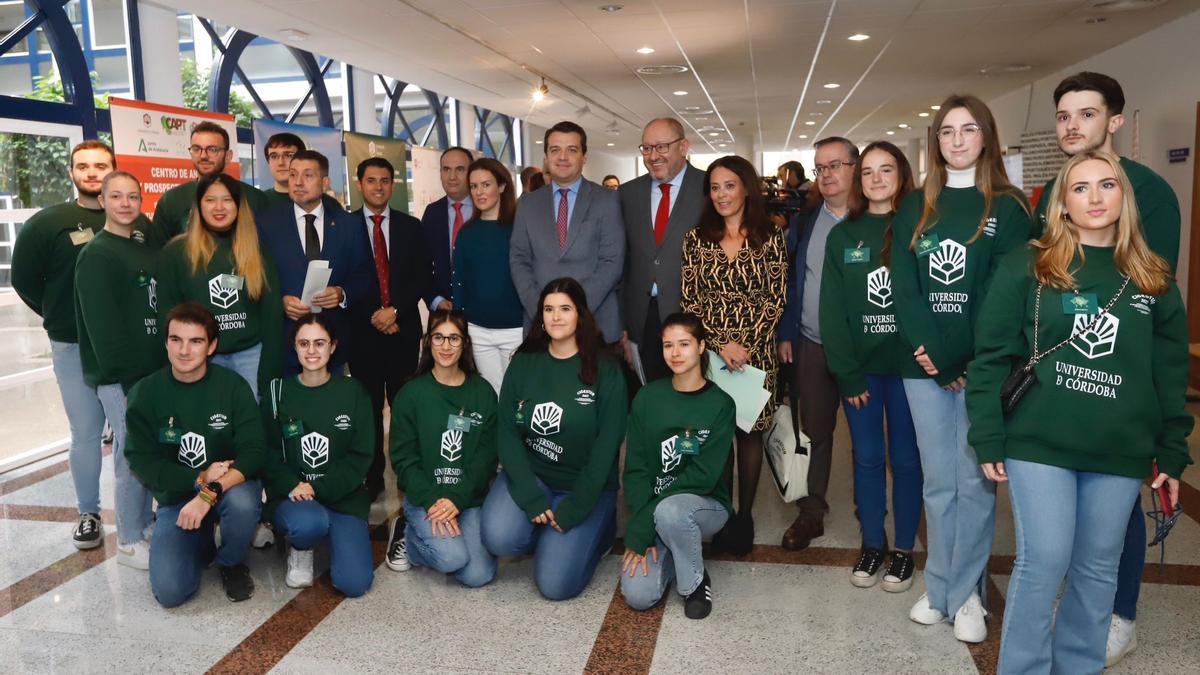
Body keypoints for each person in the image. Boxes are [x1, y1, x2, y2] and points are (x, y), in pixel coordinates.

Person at [966, 150, 1192, 674]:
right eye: (1081, 187)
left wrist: (1172, 453)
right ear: (1062, 204)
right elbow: (991, 358)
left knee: (1096, 569)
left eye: (1107, 185)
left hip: (1119, 449)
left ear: (1123, 197)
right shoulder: (1029, 264)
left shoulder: (1152, 277)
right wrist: (988, 435)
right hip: (1039, 443)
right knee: (1043, 561)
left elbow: (1168, 376)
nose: (1095, 197)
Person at [1033, 73, 1182, 664]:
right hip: (1064, 374)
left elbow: (1157, 297)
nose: (1073, 126)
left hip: (1122, 372)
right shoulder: (1051, 188)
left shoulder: (1149, 191)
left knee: (1115, 510)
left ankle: (1120, 613)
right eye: (1065, 116)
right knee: (1069, 507)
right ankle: (1082, 601)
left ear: (1114, 122)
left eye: (1087, 115)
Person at [890, 94, 1031, 643]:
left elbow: (1007, 291)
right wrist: (931, 350)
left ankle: (968, 591)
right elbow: (904, 284)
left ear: (986, 137)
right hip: (922, 363)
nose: (956, 140)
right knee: (937, 481)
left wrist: (970, 357)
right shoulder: (914, 205)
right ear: (936, 141)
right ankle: (940, 583)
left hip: (984, 363)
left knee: (974, 481)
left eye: (967, 129)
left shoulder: (1009, 207)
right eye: (946, 131)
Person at [10, 141, 157, 549]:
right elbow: (23, 280)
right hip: (74, 346)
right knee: (87, 434)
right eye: (83, 166)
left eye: (101, 166)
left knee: (132, 434)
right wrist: (60, 316)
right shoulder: (48, 222)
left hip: (127, 350)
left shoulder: (141, 225)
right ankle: (89, 512)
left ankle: (139, 515)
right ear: (72, 171)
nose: (91, 172)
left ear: (114, 170)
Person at [817, 141, 922, 590]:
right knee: (868, 458)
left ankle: (903, 550)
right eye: (868, 172)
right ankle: (873, 544)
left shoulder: (920, 229)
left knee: (906, 458)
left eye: (887, 170)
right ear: (859, 180)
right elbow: (832, 312)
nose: (877, 179)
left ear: (902, 175)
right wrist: (847, 372)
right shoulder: (844, 235)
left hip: (911, 370)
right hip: (861, 373)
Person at [481, 278, 627, 600]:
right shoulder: (524, 362)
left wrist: (577, 507)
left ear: (580, 315)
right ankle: (547, 528)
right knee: (497, 537)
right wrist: (530, 495)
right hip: (535, 476)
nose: (556, 317)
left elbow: (606, 449)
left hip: (583, 487)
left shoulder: (606, 368)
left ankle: (599, 533)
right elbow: (506, 431)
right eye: (548, 309)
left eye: (565, 308)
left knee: (554, 586)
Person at [680, 155, 787, 556]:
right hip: (711, 354)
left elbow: (775, 299)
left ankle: (745, 515)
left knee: (750, 433)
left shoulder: (770, 236)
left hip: (756, 355)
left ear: (745, 188)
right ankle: (721, 511)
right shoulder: (696, 238)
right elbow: (691, 300)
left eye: (729, 185)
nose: (721, 194)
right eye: (714, 187)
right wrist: (720, 344)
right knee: (719, 435)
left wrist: (745, 345)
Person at [125, 303, 266, 606]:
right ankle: (201, 541)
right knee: (170, 592)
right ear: (166, 344)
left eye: (196, 341)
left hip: (229, 487)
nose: (184, 350)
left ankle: (231, 563)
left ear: (212, 346)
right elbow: (142, 460)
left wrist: (209, 491)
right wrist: (198, 478)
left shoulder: (232, 387)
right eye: (176, 340)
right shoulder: (146, 393)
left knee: (243, 503)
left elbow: (254, 451)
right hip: (178, 497)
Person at [73, 171, 163, 568]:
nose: (125, 203)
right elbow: (102, 327)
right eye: (117, 196)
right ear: (104, 202)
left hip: (152, 371)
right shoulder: (97, 255)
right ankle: (127, 539)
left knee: (145, 450)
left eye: (132, 196)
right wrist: (125, 380)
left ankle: (144, 526)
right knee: (129, 452)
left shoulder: (143, 248)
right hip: (122, 377)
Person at [620, 313, 735, 619]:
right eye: (668, 345)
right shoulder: (646, 398)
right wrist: (645, 515)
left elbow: (704, 475)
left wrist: (646, 520)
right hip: (655, 509)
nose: (675, 353)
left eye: (684, 344)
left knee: (671, 512)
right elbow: (635, 470)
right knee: (638, 595)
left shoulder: (721, 404)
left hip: (705, 504)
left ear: (701, 347)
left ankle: (695, 582)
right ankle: (675, 548)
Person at [777, 137, 857, 553]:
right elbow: (792, 282)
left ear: (854, 168)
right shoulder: (806, 222)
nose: (826, 174)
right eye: (820, 167)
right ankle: (811, 512)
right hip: (811, 343)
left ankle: (872, 520)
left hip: (861, 352)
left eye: (835, 165)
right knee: (814, 431)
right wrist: (787, 332)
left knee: (866, 439)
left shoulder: (874, 220)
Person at [262, 313, 374, 596]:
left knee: (355, 584)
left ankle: (330, 529)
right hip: (295, 496)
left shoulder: (354, 392)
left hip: (343, 496)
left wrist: (318, 487)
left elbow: (360, 457)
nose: (311, 351)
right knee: (307, 523)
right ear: (294, 347)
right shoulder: (278, 392)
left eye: (319, 343)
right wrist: (292, 486)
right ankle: (300, 547)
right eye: (304, 343)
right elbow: (267, 452)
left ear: (333, 346)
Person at [386, 310, 499, 586]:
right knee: (451, 558)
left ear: (465, 344)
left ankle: (443, 537)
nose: (446, 346)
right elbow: (403, 459)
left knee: (478, 575)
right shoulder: (411, 394)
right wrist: (434, 499)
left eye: (454, 338)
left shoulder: (482, 392)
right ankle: (408, 537)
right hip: (426, 497)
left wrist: (456, 499)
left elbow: (486, 456)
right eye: (438, 337)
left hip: (467, 497)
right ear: (428, 341)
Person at [156, 172, 283, 400]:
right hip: (200, 358)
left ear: (238, 206)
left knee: (250, 428)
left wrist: (269, 371)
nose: (219, 207)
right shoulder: (176, 253)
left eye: (227, 200)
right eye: (210, 200)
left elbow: (272, 314)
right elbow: (166, 315)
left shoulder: (257, 251)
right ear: (198, 206)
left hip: (251, 357)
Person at [348, 157, 430, 501]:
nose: (378, 187)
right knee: (366, 409)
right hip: (362, 334)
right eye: (371, 180)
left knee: (404, 406)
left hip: (403, 331)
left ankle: (407, 471)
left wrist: (394, 310)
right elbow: (345, 278)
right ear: (360, 183)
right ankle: (372, 476)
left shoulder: (412, 227)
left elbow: (422, 276)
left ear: (393, 184)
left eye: (385, 180)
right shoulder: (346, 227)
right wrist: (374, 314)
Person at [257, 150, 373, 375]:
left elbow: (365, 275)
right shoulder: (266, 224)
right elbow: (255, 277)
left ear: (325, 182)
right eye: (293, 175)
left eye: (308, 175)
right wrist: (278, 301)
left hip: (333, 343)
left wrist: (342, 293)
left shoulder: (348, 224)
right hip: (285, 343)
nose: (298, 182)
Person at [510, 121, 626, 344]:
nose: (562, 157)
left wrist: (575, 311)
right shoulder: (527, 204)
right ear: (546, 157)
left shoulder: (607, 200)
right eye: (555, 150)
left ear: (584, 156)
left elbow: (612, 262)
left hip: (595, 323)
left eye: (571, 150)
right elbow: (519, 260)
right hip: (541, 326)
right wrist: (545, 311)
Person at [619, 118, 706, 383]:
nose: (653, 156)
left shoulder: (708, 189)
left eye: (661, 147)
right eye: (646, 148)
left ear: (684, 146)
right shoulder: (627, 194)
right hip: (641, 318)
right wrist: (622, 324)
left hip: (692, 314)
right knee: (647, 397)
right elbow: (623, 261)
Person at [452, 158, 523, 394]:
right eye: (473, 186)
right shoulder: (467, 233)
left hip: (516, 329)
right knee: (491, 395)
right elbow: (460, 281)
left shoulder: (519, 228)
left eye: (486, 185)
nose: (479, 192)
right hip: (478, 330)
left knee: (517, 396)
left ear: (502, 186)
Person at [152, 121, 267, 242]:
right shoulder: (172, 200)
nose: (203, 156)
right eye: (196, 149)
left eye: (212, 149)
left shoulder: (254, 198)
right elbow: (158, 254)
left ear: (228, 156)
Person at [421, 146, 474, 312]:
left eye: (460, 169)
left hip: (484, 314)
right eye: (446, 169)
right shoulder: (432, 213)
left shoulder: (486, 210)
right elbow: (421, 265)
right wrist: (436, 300)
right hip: (443, 314)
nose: (452, 177)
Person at [260, 132, 305, 209]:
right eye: (274, 156)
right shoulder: (256, 203)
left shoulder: (320, 202)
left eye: (288, 155)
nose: (281, 163)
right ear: (268, 162)